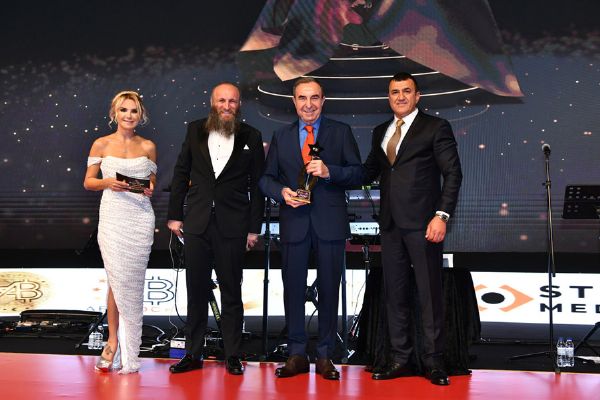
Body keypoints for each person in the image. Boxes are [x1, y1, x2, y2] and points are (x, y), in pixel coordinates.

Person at [259, 77, 363, 380]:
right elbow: (266, 178)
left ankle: (325, 354)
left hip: (330, 223)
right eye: (302, 98)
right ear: (294, 102)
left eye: (314, 98)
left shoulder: (340, 132)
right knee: (293, 289)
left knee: (330, 288)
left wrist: (330, 171)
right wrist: (282, 193)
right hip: (294, 223)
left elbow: (358, 173)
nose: (308, 104)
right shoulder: (281, 135)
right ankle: (296, 353)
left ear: (323, 100)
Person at [363, 72, 462, 385]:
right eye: (395, 92)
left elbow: (453, 173)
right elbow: (367, 172)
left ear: (417, 96)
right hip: (390, 225)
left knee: (430, 294)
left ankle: (434, 362)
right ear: (388, 97)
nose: (401, 97)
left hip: (424, 225)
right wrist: (329, 172)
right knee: (395, 295)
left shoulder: (435, 127)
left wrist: (441, 216)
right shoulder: (381, 131)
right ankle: (400, 358)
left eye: (407, 91)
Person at [167, 82, 264, 375]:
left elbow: (258, 186)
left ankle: (232, 355)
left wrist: (254, 228)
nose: (226, 106)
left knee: (231, 292)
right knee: (196, 292)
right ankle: (192, 354)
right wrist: (174, 216)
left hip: (233, 226)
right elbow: (181, 172)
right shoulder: (195, 130)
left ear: (239, 104)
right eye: (221, 100)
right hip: (196, 224)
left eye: (232, 101)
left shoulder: (251, 135)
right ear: (212, 102)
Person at [83, 91, 157, 374]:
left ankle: (124, 346)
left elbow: (151, 185)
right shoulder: (101, 143)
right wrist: (108, 183)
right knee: (116, 278)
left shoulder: (148, 146)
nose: (129, 115)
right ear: (114, 113)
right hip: (113, 220)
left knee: (127, 284)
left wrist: (144, 187)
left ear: (141, 115)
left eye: (134, 111)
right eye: (124, 110)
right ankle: (113, 342)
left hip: (139, 220)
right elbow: (89, 182)